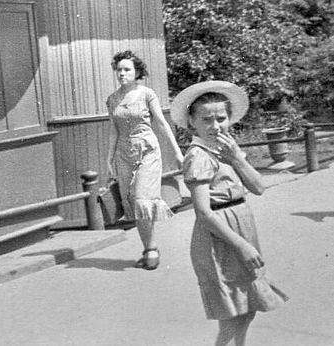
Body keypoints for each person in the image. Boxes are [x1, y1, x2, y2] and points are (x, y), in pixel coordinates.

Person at [170, 80, 288, 346]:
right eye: (206, 119)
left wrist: (236, 158)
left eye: (221, 118)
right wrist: (241, 246)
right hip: (220, 236)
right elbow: (203, 213)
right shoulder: (198, 155)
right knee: (233, 312)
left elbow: (258, 187)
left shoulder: (227, 149)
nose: (215, 126)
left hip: (241, 225)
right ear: (192, 122)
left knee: (248, 307)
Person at [106, 50, 183, 270]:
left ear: (137, 72)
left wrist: (177, 152)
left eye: (127, 69)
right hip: (123, 154)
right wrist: (108, 159)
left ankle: (151, 249)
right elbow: (113, 130)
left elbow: (162, 124)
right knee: (134, 203)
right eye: (119, 70)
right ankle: (149, 248)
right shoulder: (113, 99)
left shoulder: (147, 94)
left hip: (147, 150)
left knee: (142, 199)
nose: (122, 73)